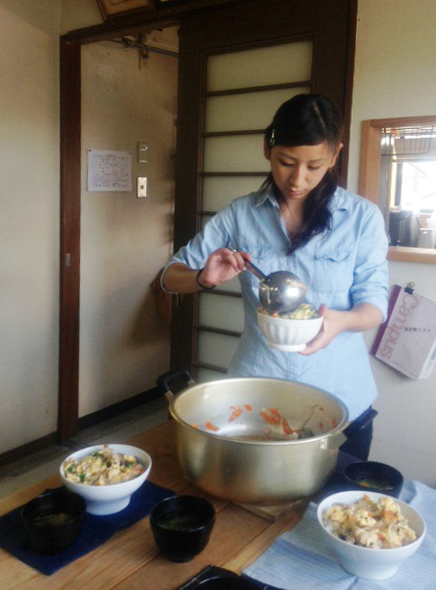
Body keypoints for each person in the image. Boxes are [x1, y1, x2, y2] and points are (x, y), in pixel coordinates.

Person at [161, 93, 388, 460]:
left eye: (314, 166)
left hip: (341, 398)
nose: (298, 179)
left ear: (335, 154)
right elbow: (170, 277)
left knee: (331, 512)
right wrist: (204, 277)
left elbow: (375, 304)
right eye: (286, 162)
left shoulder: (362, 218)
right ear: (268, 148)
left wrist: (341, 321)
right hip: (256, 394)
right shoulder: (240, 215)